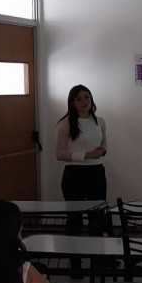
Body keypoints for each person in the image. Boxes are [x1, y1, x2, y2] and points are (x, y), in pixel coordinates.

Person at [55, 85, 107, 234]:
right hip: (74, 173)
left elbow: (104, 144)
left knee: (97, 216)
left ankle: (98, 256)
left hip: (96, 171)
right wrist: (86, 155)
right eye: (79, 99)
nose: (84, 101)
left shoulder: (100, 121)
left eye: (87, 97)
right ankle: (75, 256)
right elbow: (59, 154)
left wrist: (102, 150)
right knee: (74, 217)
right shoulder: (65, 124)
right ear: (72, 103)